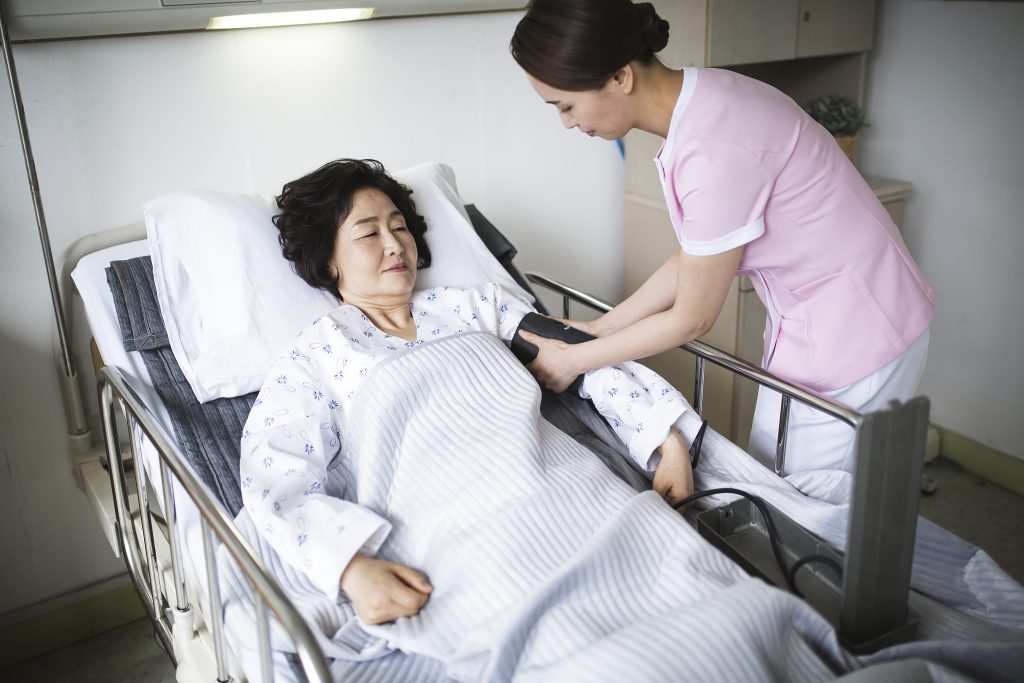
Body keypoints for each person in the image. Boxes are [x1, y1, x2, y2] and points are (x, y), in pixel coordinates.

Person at [240, 158, 698, 626]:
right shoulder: (314, 357)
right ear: (328, 258)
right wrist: (352, 570)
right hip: (463, 537)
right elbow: (274, 474)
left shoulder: (476, 306)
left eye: (399, 227)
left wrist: (668, 443)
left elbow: (582, 357)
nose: (395, 244)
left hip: (575, 494)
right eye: (369, 233)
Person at [509, 0, 935, 474]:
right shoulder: (706, 97)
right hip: (827, 316)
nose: (567, 122)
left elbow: (692, 318)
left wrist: (575, 361)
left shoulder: (713, 147)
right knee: (774, 480)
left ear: (620, 76)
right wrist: (601, 327)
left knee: (804, 503)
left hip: (858, 330)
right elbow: (699, 253)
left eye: (566, 105)